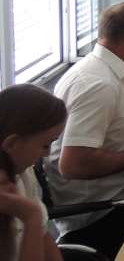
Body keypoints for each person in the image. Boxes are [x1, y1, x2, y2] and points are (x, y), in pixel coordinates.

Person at [45, 1, 124, 259]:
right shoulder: (97, 84)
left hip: (123, 187)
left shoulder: (106, 71)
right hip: (101, 211)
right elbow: (72, 164)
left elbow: (100, 138)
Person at [0, 84, 66, 261]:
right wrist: (31, 217)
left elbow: (45, 240)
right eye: (45, 145)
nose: (47, 153)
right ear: (12, 144)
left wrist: (34, 220)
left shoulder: (24, 174)